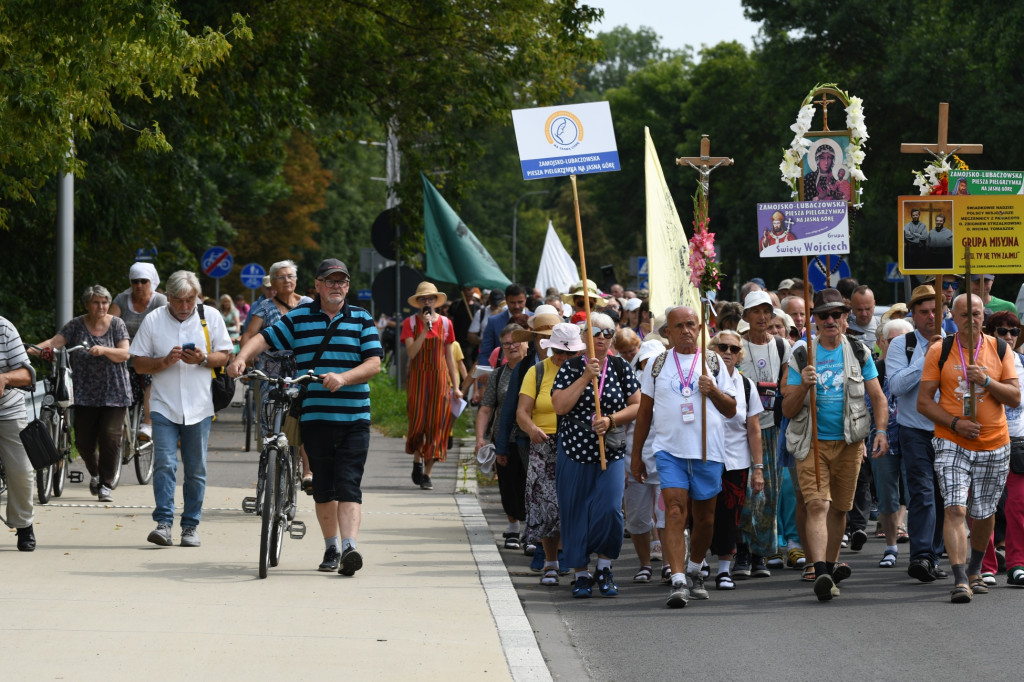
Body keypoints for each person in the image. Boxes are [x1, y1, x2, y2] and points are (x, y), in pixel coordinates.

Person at [230, 258, 382, 576]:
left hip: (354, 417)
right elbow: (264, 338)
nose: (336, 286)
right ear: (317, 285)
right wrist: (241, 358)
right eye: (330, 281)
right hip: (315, 416)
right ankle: (332, 548)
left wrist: (343, 378)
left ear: (348, 286)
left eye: (342, 281)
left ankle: (350, 547)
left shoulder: (361, 319)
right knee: (324, 485)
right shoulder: (299, 318)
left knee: (349, 483)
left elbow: (373, 364)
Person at [781, 288, 889, 601]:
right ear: (814, 320)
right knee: (817, 504)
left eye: (836, 314)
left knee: (840, 509)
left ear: (845, 318)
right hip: (811, 443)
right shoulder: (801, 354)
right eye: (823, 315)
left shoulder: (858, 350)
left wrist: (880, 431)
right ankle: (821, 570)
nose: (830, 320)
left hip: (850, 444)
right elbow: (787, 409)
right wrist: (803, 385)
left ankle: (828, 565)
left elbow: (878, 397)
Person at [631, 306, 737, 608]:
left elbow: (731, 409)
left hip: (708, 452)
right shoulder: (657, 365)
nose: (686, 330)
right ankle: (678, 580)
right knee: (675, 511)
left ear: (700, 327)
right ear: (668, 332)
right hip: (670, 452)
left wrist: (713, 391)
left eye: (691, 324)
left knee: (705, 519)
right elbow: (644, 413)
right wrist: (637, 456)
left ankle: (695, 569)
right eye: (679, 326)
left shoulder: (714, 362)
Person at [917, 293, 1020, 602]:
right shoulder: (940, 350)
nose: (971, 320)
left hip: (995, 443)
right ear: (953, 316)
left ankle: (976, 569)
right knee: (955, 507)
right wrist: (954, 423)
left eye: (976, 314)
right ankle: (960, 577)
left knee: (984, 512)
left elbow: (1015, 398)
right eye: (964, 315)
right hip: (952, 441)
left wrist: (987, 381)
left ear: (983, 315)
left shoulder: (1000, 349)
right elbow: (923, 402)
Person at [132, 271, 233, 548]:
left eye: (190, 299)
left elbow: (225, 354)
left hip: (200, 406)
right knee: (164, 463)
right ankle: (163, 523)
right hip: (163, 405)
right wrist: (163, 362)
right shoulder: (154, 320)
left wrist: (203, 359)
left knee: (196, 468)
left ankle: (190, 526)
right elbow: (138, 363)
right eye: (179, 300)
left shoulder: (210, 316)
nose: (185, 306)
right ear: (168, 297)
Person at [552, 314, 641, 598]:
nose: (601, 337)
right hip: (575, 449)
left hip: (610, 450)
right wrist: (585, 378)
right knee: (575, 510)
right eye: (595, 332)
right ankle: (580, 573)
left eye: (607, 332)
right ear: (584, 336)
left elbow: (637, 405)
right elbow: (560, 406)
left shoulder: (620, 367)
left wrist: (612, 420)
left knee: (610, 509)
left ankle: (604, 567)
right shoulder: (570, 367)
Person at [30, 285, 132, 502]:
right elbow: (54, 343)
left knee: (110, 439)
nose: (101, 306)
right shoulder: (76, 325)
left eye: (104, 302)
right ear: (87, 305)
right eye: (96, 302)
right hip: (84, 393)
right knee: (84, 442)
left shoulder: (117, 324)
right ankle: (95, 474)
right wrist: (29, 350)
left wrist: (104, 350)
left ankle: (105, 484)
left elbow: (124, 353)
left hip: (114, 392)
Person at [887, 284, 950, 583]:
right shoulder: (903, 344)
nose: (930, 316)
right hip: (914, 431)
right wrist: (927, 354)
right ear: (913, 315)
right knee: (922, 493)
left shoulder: (955, 342)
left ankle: (934, 556)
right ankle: (921, 556)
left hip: (947, 431)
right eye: (923, 312)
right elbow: (897, 387)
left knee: (941, 496)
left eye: (935, 310)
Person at [517, 321, 582, 585]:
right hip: (543, 443)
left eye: (569, 353)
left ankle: (572, 554)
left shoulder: (585, 371)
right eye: (558, 351)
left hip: (576, 443)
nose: (562, 357)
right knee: (546, 504)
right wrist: (531, 429)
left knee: (571, 502)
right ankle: (551, 560)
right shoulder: (538, 371)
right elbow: (522, 411)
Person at [240, 260, 314, 487]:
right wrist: (247, 358)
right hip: (271, 369)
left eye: (290, 276)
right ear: (273, 282)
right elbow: (250, 335)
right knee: (271, 419)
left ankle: (307, 472)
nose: (287, 280)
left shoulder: (309, 304)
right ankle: (268, 472)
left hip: (301, 368)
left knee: (304, 417)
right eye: (281, 277)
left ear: (296, 280)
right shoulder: (263, 306)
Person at [735, 291, 790, 579]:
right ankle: (741, 549)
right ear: (745, 316)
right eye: (755, 311)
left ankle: (761, 554)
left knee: (769, 493)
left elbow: (786, 383)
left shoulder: (782, 345)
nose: (762, 316)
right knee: (746, 494)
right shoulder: (736, 347)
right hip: (741, 432)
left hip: (772, 428)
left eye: (766, 311)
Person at [711, 329, 764, 589]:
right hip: (704, 458)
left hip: (736, 462)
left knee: (729, 517)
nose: (728, 353)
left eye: (733, 349)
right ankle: (693, 565)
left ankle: (723, 570)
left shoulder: (746, 385)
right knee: (701, 515)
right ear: (713, 350)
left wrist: (758, 468)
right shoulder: (702, 380)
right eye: (722, 347)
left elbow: (753, 428)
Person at [401, 281, 461, 490]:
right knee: (418, 424)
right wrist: (425, 331)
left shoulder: (446, 323)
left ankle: (427, 473)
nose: (427, 302)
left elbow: (449, 357)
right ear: (418, 302)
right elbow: (411, 353)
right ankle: (417, 459)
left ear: (436, 301)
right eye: (423, 299)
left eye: (431, 298)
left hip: (440, 379)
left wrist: (456, 386)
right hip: (417, 379)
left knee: (438, 426)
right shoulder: (409, 323)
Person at [620, 340, 669, 584]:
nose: (652, 366)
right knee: (638, 518)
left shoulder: (672, 383)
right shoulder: (632, 389)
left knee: (668, 517)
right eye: (647, 361)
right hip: (634, 463)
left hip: (667, 464)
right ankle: (645, 564)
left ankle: (671, 564)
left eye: (657, 360)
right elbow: (625, 425)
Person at [478, 323, 529, 549]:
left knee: (530, 485)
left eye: (516, 341)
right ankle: (513, 528)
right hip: (504, 439)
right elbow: (487, 408)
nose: (511, 346)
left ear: (527, 342)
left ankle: (532, 531)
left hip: (530, 438)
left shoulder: (535, 370)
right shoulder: (499, 375)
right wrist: (480, 437)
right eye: (506, 343)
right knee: (508, 484)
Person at [870, 317, 914, 569]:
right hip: (881, 439)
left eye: (903, 341)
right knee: (886, 496)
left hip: (913, 439)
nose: (896, 345)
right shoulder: (874, 369)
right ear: (881, 343)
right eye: (891, 341)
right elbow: (868, 403)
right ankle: (890, 546)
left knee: (917, 496)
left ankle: (920, 549)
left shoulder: (920, 366)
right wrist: (878, 431)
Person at [109, 262, 167, 439]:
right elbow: (108, 322)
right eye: (135, 281)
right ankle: (120, 425)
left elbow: (165, 327)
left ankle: (147, 424)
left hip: (150, 350)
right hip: (125, 351)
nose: (139, 285)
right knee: (118, 382)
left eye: (144, 281)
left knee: (150, 380)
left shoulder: (159, 301)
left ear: (152, 282)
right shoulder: (121, 299)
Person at [0, 316, 38, 550]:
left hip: (8, 410)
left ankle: (24, 526)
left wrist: (4, 377)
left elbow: (27, 374)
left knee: (21, 471)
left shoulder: (4, 328)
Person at [478, 283, 531, 366]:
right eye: (512, 303)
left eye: (520, 302)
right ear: (506, 300)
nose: (517, 306)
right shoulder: (493, 322)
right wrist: (484, 373)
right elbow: (485, 353)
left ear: (526, 299)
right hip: (501, 373)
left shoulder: (535, 319)